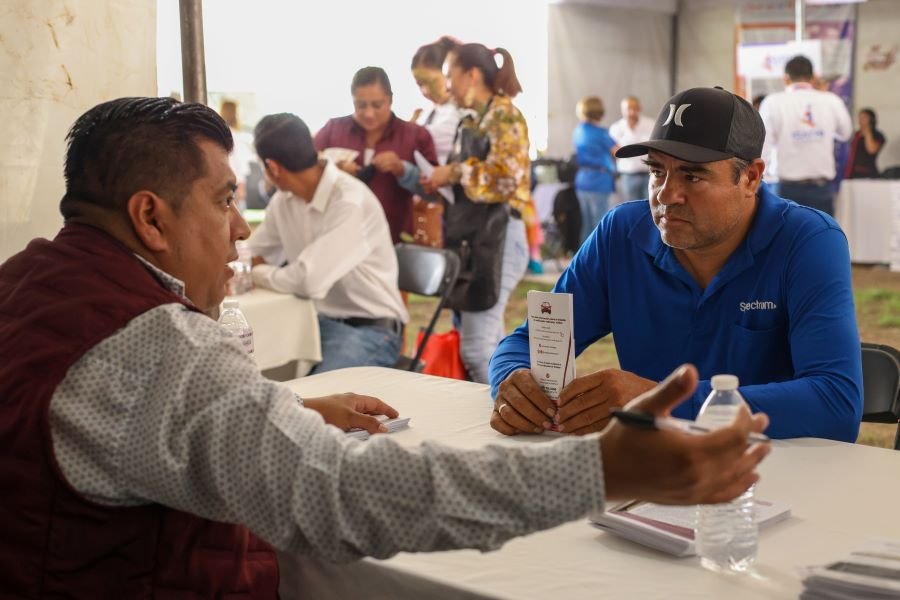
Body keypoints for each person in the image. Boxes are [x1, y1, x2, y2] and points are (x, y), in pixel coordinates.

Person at [0, 96, 771, 598]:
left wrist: (267, 405)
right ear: (150, 218)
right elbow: (343, 495)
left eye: (691, 177)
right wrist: (597, 471)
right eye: (225, 200)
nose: (239, 228)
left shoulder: (24, 284)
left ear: (751, 181)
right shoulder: (156, 345)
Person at [489, 86, 863, 443]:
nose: (666, 194)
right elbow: (523, 344)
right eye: (656, 170)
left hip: (767, 475)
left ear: (751, 177)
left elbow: (836, 403)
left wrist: (659, 401)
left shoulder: (808, 241)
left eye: (692, 175)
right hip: (648, 475)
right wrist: (516, 380)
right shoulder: (621, 234)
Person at [248, 113, 408, 373]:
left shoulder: (348, 201)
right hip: (311, 322)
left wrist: (257, 272)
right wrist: (253, 264)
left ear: (272, 167)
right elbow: (250, 252)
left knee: (310, 401)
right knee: (255, 373)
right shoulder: (284, 201)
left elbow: (308, 281)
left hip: (369, 330)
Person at [421, 43, 531, 384]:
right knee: (491, 341)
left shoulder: (505, 116)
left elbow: (506, 180)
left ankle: (505, 412)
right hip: (477, 240)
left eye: (450, 76)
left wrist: (453, 173)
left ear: (471, 75)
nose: (447, 85)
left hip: (499, 239)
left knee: (476, 348)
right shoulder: (472, 120)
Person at [315, 66, 437, 244]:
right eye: (360, 105)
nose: (368, 113)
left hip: (395, 239)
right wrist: (332, 171)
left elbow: (435, 192)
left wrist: (403, 170)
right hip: (338, 237)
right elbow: (306, 171)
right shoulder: (333, 130)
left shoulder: (416, 136)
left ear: (390, 100)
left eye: (377, 105)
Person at [758, 55, 853, 216]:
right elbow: (846, 133)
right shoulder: (831, 101)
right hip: (821, 187)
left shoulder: (772, 102)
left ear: (786, 79)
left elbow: (763, 146)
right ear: (814, 77)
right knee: (821, 238)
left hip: (784, 188)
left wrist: (761, 183)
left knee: (783, 239)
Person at [409, 36, 467, 247]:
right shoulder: (426, 114)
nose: (424, 91)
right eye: (419, 84)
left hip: (457, 209)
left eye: (429, 82)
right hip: (431, 209)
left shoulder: (464, 113)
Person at [572, 96, 618, 244]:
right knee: (600, 224)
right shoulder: (601, 133)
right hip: (599, 180)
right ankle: (599, 261)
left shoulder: (577, 131)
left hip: (582, 180)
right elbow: (618, 151)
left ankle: (583, 260)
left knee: (586, 224)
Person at [609, 95, 655, 202]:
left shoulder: (651, 124)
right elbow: (613, 153)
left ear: (640, 109)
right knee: (630, 208)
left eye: (635, 108)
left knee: (651, 206)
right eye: (628, 108)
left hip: (649, 173)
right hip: (627, 175)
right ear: (622, 110)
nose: (632, 112)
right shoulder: (616, 128)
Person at [844, 108, 886, 179]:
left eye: (864, 117)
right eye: (860, 117)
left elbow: (871, 150)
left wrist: (867, 133)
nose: (861, 120)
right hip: (853, 172)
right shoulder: (856, 135)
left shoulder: (877, 135)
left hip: (867, 172)